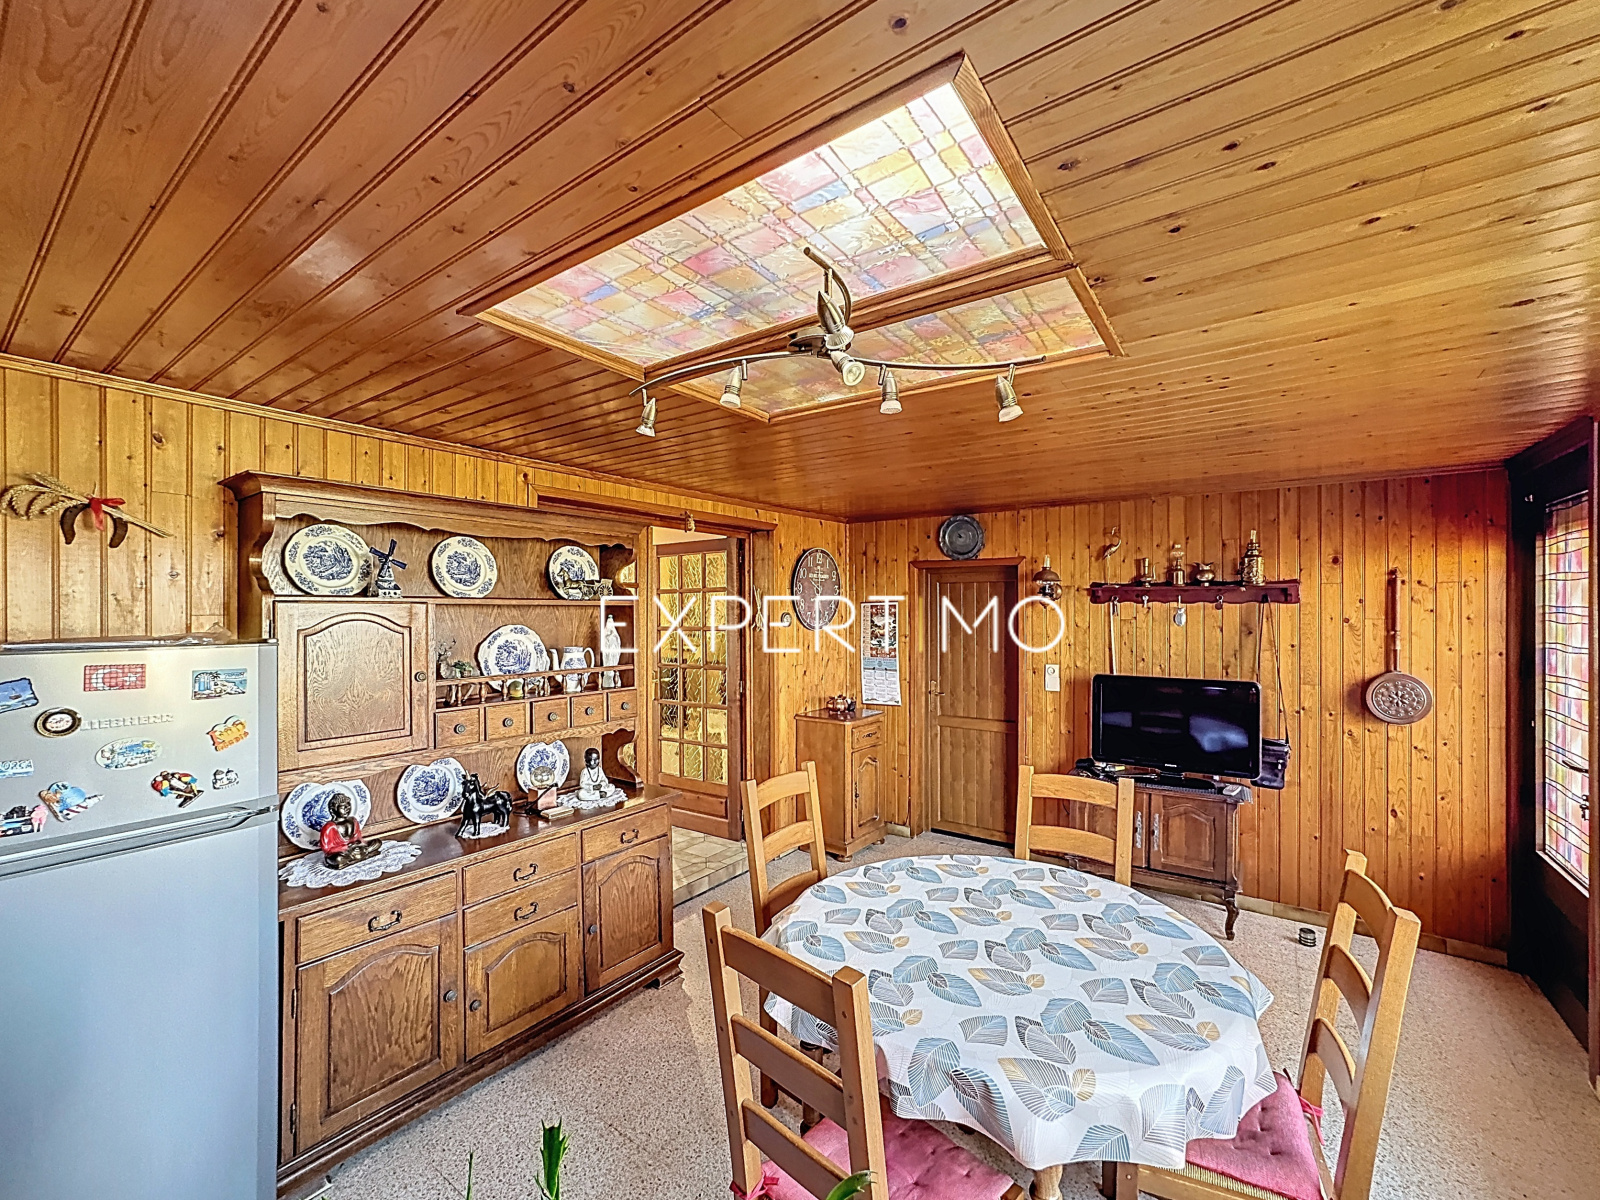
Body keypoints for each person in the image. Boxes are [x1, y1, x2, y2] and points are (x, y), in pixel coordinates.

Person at [320, 793, 380, 869]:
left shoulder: (353, 820)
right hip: (342, 853)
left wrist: (359, 843)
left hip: (355, 849)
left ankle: (359, 854)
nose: (347, 809)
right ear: (334, 809)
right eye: (343, 807)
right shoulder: (329, 827)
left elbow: (359, 838)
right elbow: (327, 849)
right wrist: (346, 847)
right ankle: (357, 855)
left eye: (348, 806)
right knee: (337, 859)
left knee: (377, 842)